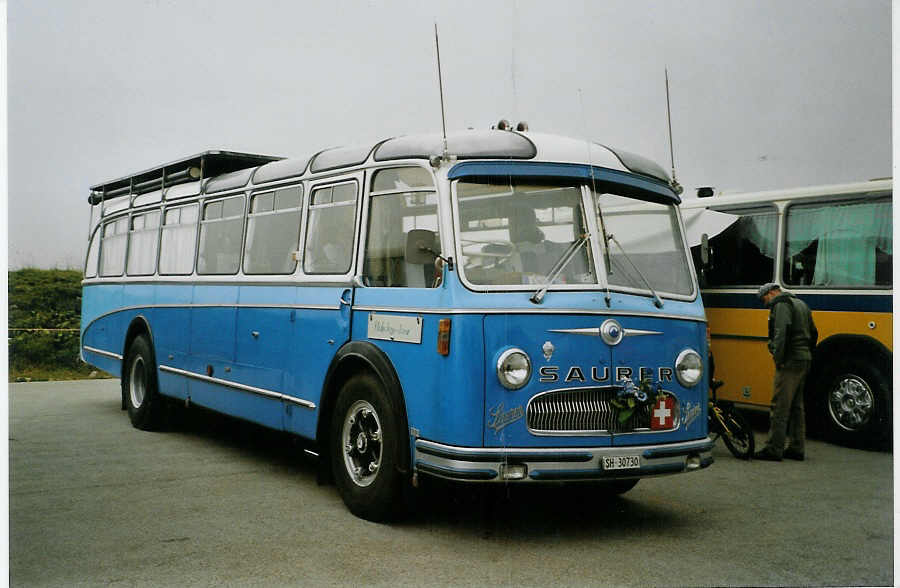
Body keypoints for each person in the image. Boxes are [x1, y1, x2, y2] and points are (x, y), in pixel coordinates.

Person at [754, 283, 818, 461]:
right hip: (804, 358)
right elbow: (814, 332)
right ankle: (797, 447)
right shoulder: (801, 304)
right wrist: (807, 352)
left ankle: (774, 449)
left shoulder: (781, 304)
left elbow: (781, 333)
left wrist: (778, 358)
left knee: (779, 405)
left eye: (764, 298)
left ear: (772, 292)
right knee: (797, 406)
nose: (765, 303)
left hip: (790, 360)